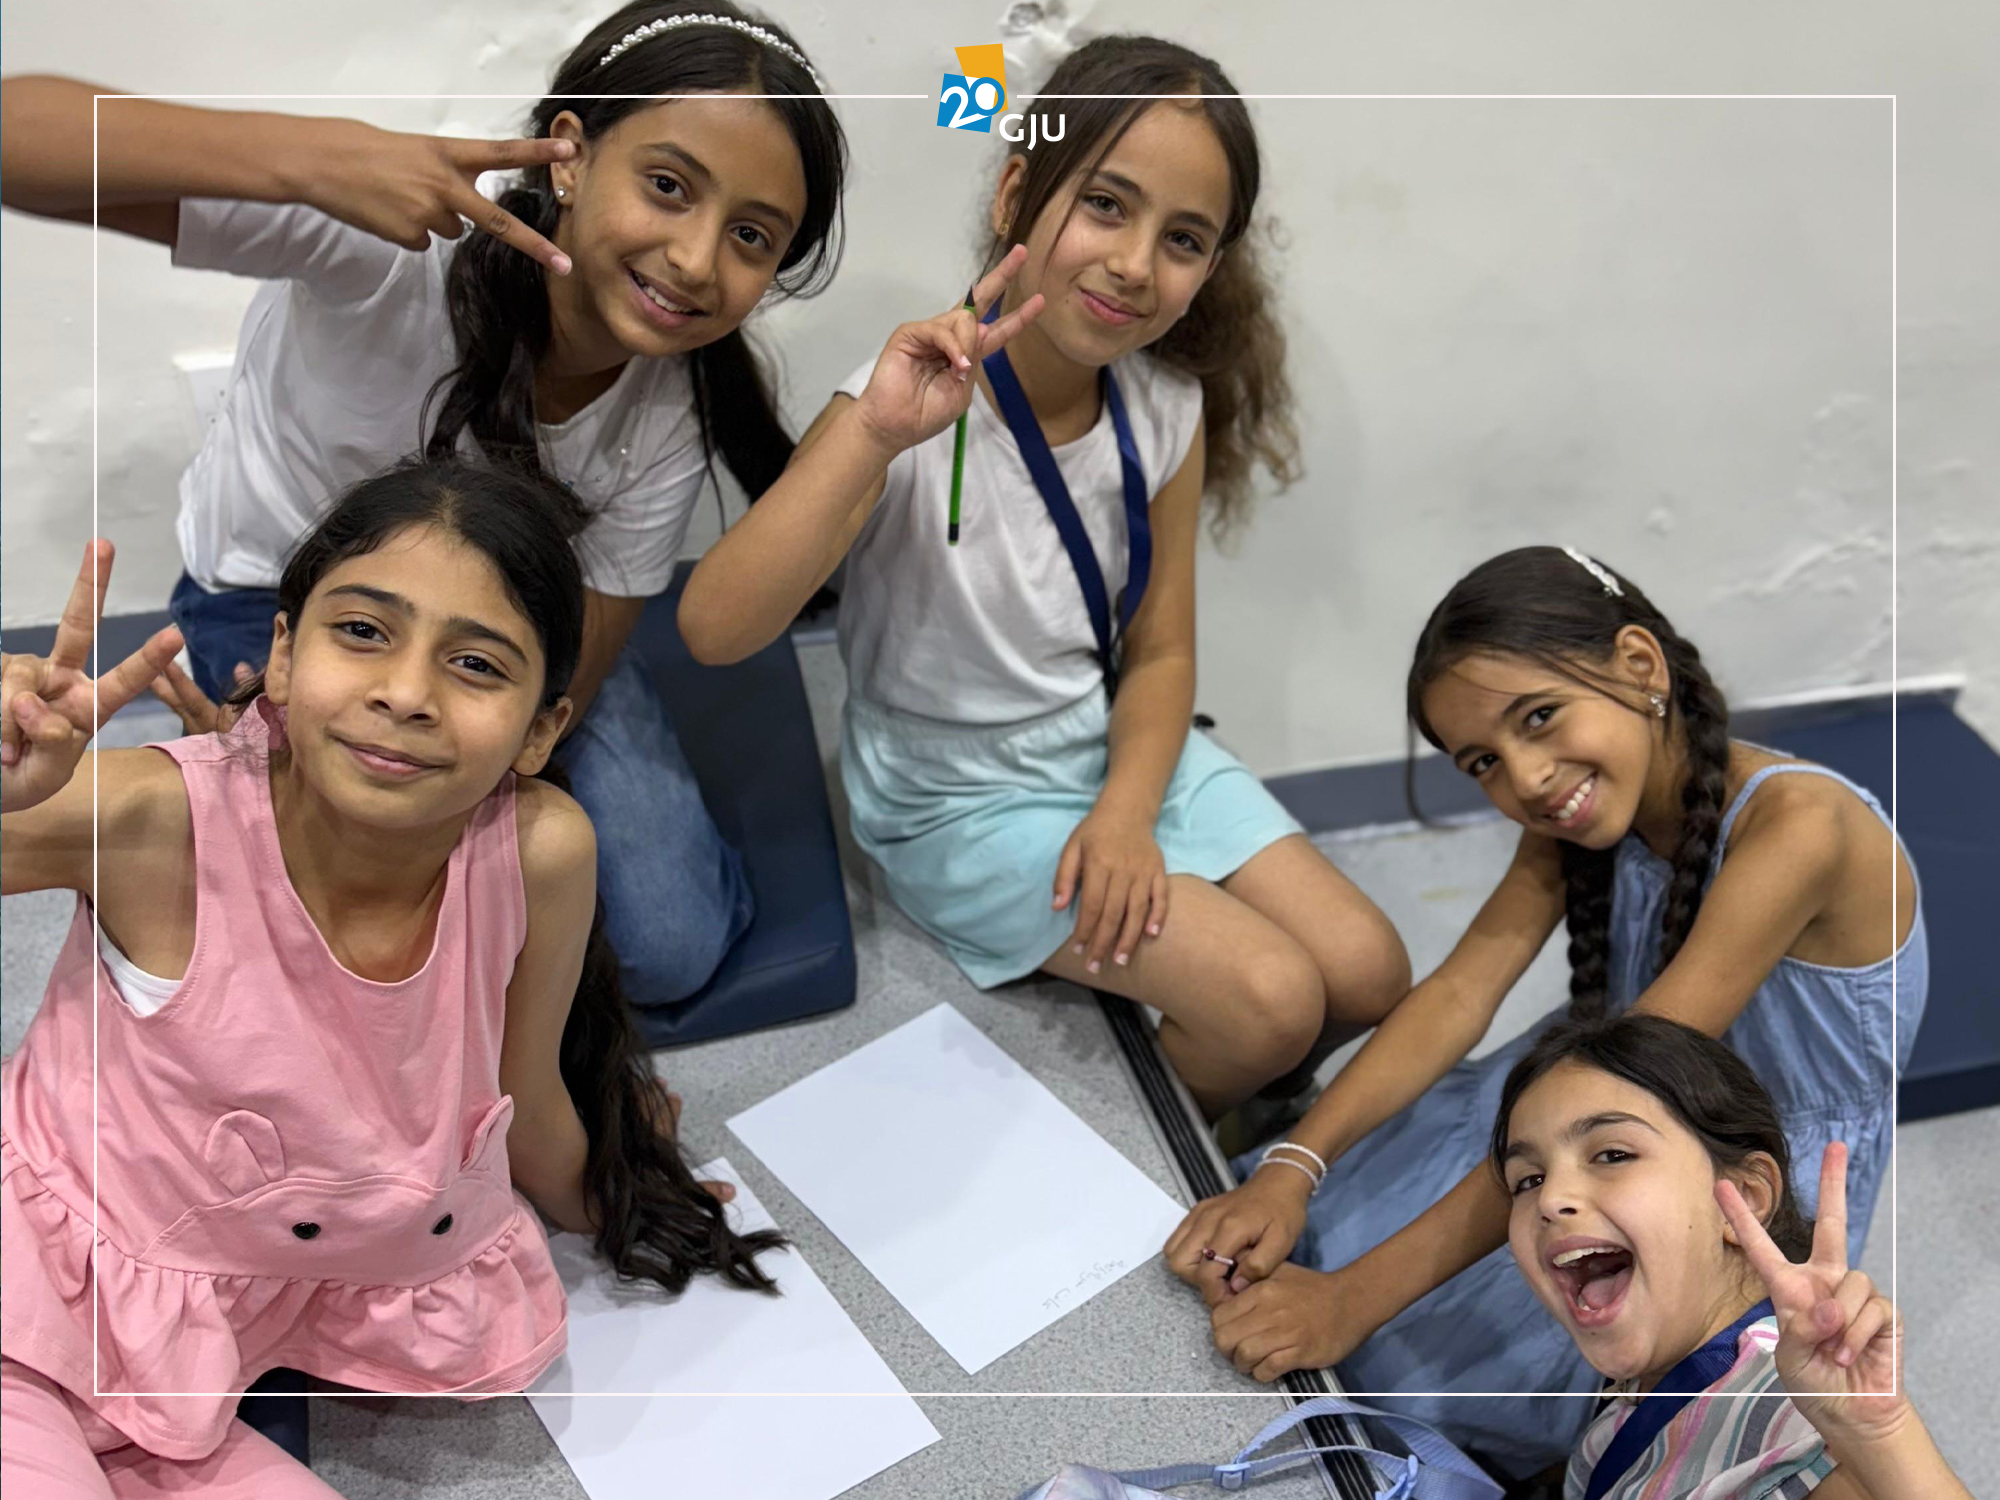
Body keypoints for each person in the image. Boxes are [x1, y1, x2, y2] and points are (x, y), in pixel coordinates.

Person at [0, 0, 849, 1008]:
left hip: (510, 642)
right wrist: (312, 159)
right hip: (273, 605)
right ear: (569, 156)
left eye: (750, 235)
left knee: (667, 941)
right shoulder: (396, 242)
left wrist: (472, 771)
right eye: (668, 186)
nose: (697, 260)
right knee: (305, 951)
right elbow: (21, 137)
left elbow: (577, 661)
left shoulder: (673, 401)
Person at [0, 460, 780, 1498]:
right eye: (363, 631)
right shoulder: (154, 818)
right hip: (31, 1286)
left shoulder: (540, 850)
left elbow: (518, 1093)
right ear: (283, 654)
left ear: (541, 730)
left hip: (183, 1372)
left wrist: (624, 1198)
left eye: (476, 664)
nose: (405, 694)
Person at [678, 36, 1410, 1118]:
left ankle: (1220, 1098)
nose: (1134, 264)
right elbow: (714, 630)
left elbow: (1161, 652)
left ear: (1212, 268)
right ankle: (1173, 1144)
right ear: (1017, 191)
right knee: (1271, 1003)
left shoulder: (1166, 407)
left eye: (1183, 239)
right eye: (1105, 205)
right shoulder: (901, 404)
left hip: (1106, 745)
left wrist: (1124, 812)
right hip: (951, 796)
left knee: (1368, 971)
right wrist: (869, 435)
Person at [1170, 545, 1926, 1476]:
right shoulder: (1572, 811)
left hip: (1720, 1151)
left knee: (1403, 1377)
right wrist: (1295, 1166)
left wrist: (1353, 1301)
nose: (1525, 779)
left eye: (1539, 717)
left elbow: (1618, 1095)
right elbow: (1458, 993)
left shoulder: (1801, 828)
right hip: (1593, 1099)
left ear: (1640, 666)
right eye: (1485, 761)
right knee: (1318, 1221)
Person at [1491, 1014, 1969, 1499]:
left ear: (1743, 1196)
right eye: (1528, 1180)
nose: (1550, 1199)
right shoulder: (1649, 1384)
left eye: (1612, 1155)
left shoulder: (1801, 1431)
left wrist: (1881, 1437)